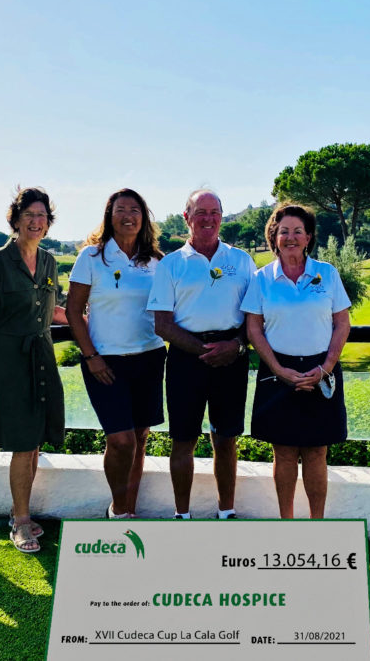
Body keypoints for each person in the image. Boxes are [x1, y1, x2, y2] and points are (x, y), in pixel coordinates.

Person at [147, 189, 255, 519]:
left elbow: (254, 318)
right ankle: (182, 515)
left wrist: (234, 346)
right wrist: (204, 351)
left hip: (232, 357)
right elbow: (162, 324)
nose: (208, 218)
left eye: (215, 212)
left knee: (226, 439)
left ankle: (227, 511)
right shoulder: (170, 265)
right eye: (200, 212)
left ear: (222, 216)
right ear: (187, 217)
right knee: (183, 440)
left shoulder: (241, 261)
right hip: (185, 358)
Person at [0, 187, 68, 554]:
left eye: (42, 215)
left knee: (36, 442)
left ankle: (20, 513)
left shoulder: (49, 261)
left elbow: (53, 311)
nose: (36, 221)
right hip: (9, 358)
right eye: (29, 214)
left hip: (42, 354)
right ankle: (22, 522)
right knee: (22, 442)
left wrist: (90, 322)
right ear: (16, 219)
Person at [241, 204, 351, 518]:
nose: (290, 237)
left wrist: (325, 367)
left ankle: (316, 526)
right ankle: (287, 525)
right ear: (273, 236)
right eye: (284, 231)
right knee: (284, 452)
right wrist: (278, 369)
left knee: (317, 451)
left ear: (309, 237)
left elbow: (342, 323)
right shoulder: (262, 278)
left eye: (297, 231)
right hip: (277, 373)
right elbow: (253, 327)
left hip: (322, 370)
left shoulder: (327, 273)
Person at [66, 189, 166, 519]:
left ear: (144, 216)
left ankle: (129, 511)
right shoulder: (91, 257)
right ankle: (118, 510)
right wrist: (91, 356)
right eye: (120, 209)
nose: (128, 215)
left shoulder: (156, 260)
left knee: (139, 438)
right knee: (121, 440)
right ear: (109, 216)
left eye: (135, 209)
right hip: (104, 362)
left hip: (149, 358)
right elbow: (73, 310)